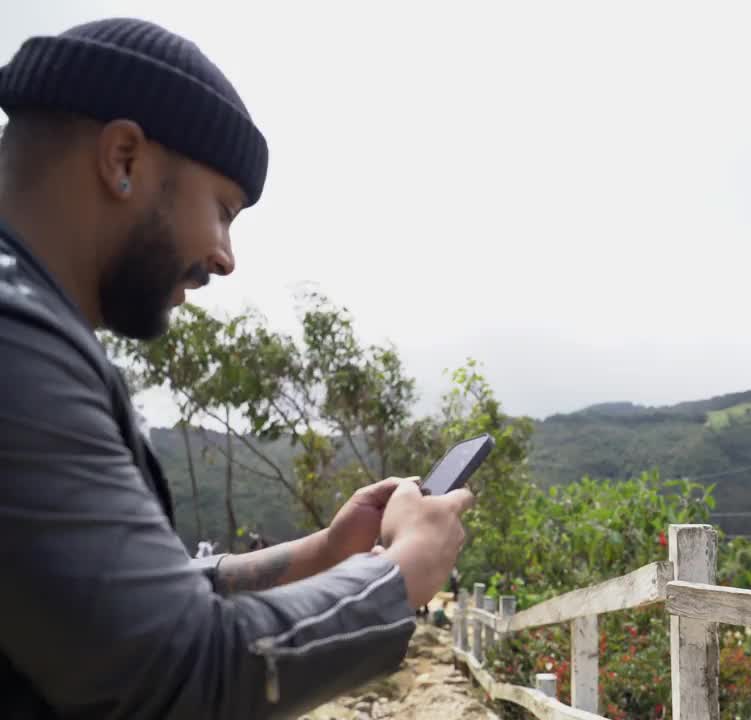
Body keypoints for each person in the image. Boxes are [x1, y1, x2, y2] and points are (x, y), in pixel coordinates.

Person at [0, 18, 474, 719]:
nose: (225, 257)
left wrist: (324, 551)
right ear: (124, 158)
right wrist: (397, 576)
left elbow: (118, 602)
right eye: (223, 211)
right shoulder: (16, 341)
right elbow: (175, 668)